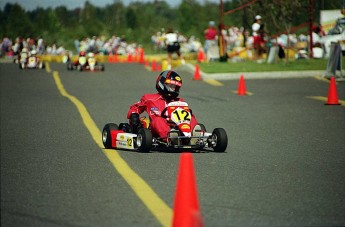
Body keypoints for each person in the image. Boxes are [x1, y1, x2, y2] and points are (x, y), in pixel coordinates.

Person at [126, 70, 198, 139]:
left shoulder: (180, 101)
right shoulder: (150, 99)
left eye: (175, 87)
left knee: (192, 118)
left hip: (178, 127)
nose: (173, 89)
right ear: (162, 83)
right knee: (158, 120)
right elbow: (134, 108)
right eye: (171, 86)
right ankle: (171, 137)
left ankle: (194, 136)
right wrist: (134, 116)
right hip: (156, 131)